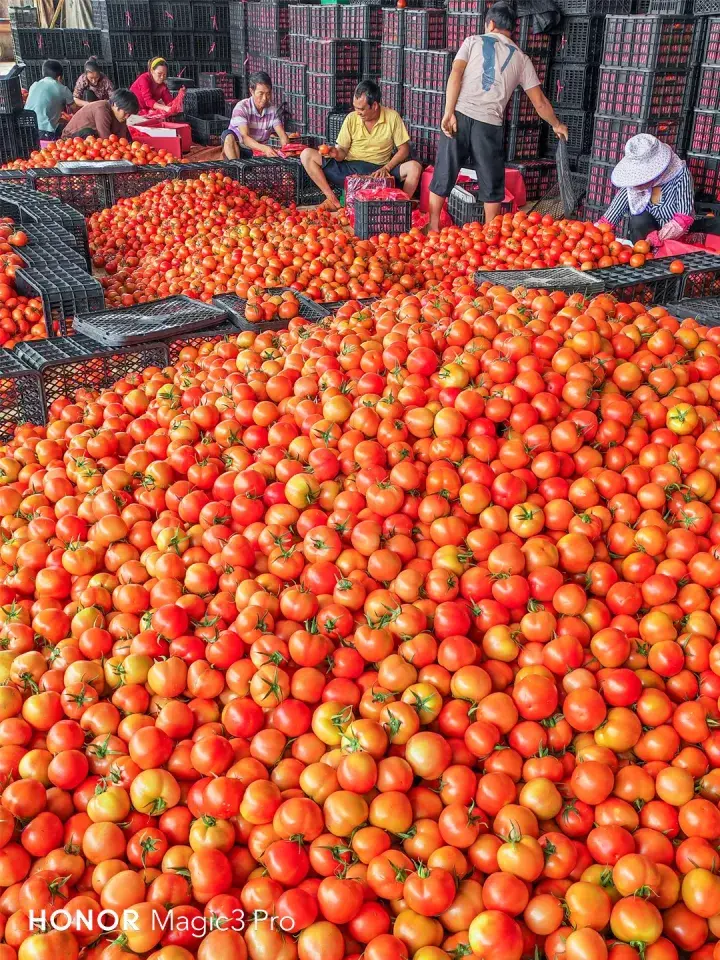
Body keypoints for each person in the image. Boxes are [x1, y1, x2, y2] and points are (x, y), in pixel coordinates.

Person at [428, 2, 568, 231]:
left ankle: (433, 228)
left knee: (444, 171)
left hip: (460, 116)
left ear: (490, 24)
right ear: (511, 29)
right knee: (491, 183)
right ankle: (489, 235)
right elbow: (540, 102)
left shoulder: (472, 41)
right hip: (489, 125)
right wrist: (556, 124)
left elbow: (455, 74)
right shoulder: (522, 59)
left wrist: (448, 112)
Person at [300, 80, 422, 211]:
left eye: (361, 109)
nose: (357, 112)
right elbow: (341, 154)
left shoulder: (392, 117)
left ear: (374, 105)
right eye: (355, 108)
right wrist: (335, 153)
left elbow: (404, 149)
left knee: (414, 167)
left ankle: (398, 208)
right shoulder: (351, 118)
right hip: (350, 172)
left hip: (380, 174)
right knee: (306, 155)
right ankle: (333, 200)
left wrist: (386, 168)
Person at [596, 134, 710, 246]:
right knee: (639, 220)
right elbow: (615, 210)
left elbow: (684, 218)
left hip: (673, 234)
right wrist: (597, 231)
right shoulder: (634, 181)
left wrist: (656, 238)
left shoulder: (680, 174)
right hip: (645, 232)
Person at [221, 72, 288, 161]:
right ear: (252, 91)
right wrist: (265, 148)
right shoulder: (241, 107)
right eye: (261, 93)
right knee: (228, 136)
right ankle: (235, 168)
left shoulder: (272, 110)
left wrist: (286, 151)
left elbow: (282, 135)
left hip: (256, 151)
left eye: (268, 94)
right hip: (240, 147)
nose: (265, 98)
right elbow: (245, 138)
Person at [24, 59, 75, 140]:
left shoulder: (34, 85)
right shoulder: (63, 89)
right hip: (45, 131)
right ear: (59, 78)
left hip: (26, 128)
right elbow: (75, 109)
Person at [61, 89, 139, 140]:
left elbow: (122, 137)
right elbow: (105, 139)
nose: (126, 117)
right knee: (89, 133)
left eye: (129, 115)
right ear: (115, 105)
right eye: (125, 113)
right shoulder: (101, 109)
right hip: (71, 138)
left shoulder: (120, 114)